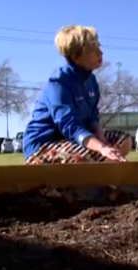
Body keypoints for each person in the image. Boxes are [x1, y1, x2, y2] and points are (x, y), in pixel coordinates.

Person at [22, 25, 132, 165]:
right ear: (77, 57)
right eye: (93, 49)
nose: (100, 52)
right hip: (43, 145)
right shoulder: (58, 84)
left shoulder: (91, 81)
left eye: (99, 45)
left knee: (124, 141)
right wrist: (101, 148)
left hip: (73, 140)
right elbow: (71, 127)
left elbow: (92, 117)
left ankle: (103, 184)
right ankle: (69, 185)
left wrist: (102, 139)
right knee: (86, 156)